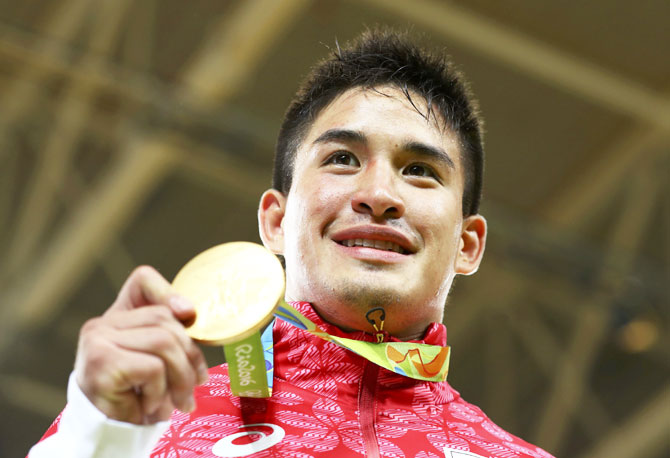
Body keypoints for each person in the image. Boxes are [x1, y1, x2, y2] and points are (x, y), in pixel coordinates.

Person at [29, 29, 555, 458]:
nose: (378, 195)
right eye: (342, 159)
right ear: (276, 220)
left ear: (469, 243)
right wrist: (97, 434)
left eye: (419, 171)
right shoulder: (150, 428)